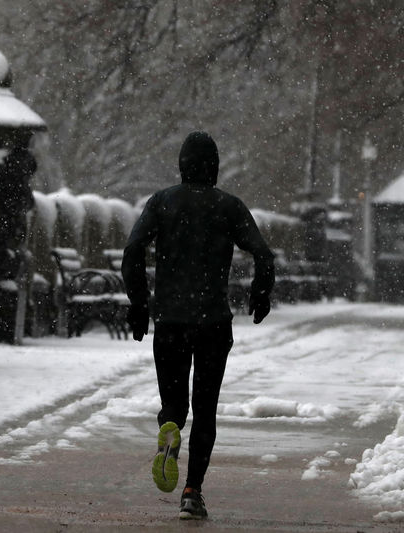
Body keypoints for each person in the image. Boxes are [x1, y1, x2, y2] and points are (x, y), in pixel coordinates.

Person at [121, 131, 275, 520]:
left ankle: (170, 427)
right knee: (206, 409)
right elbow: (262, 252)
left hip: (170, 320)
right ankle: (192, 491)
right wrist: (261, 292)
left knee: (174, 402)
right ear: (215, 168)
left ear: (181, 165)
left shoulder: (161, 202)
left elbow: (133, 249)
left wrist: (139, 303)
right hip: (213, 323)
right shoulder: (229, 206)